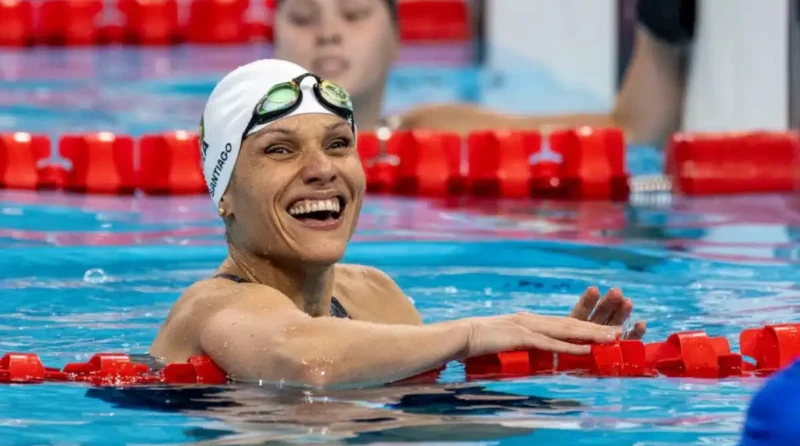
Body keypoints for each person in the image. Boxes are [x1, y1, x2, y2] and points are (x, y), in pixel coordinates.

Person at [149, 58, 647, 389]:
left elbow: (420, 420)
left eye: (338, 144)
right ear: (225, 195)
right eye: (280, 150)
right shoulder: (210, 307)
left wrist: (554, 368)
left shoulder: (373, 295)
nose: (323, 168)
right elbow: (304, 361)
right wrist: (475, 334)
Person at [270, 0, 691, 147]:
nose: (327, 34)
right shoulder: (231, 146)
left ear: (396, 39)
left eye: (354, 14)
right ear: (273, 40)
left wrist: (658, 27)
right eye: (304, 18)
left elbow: (633, 131)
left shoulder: (435, 132)